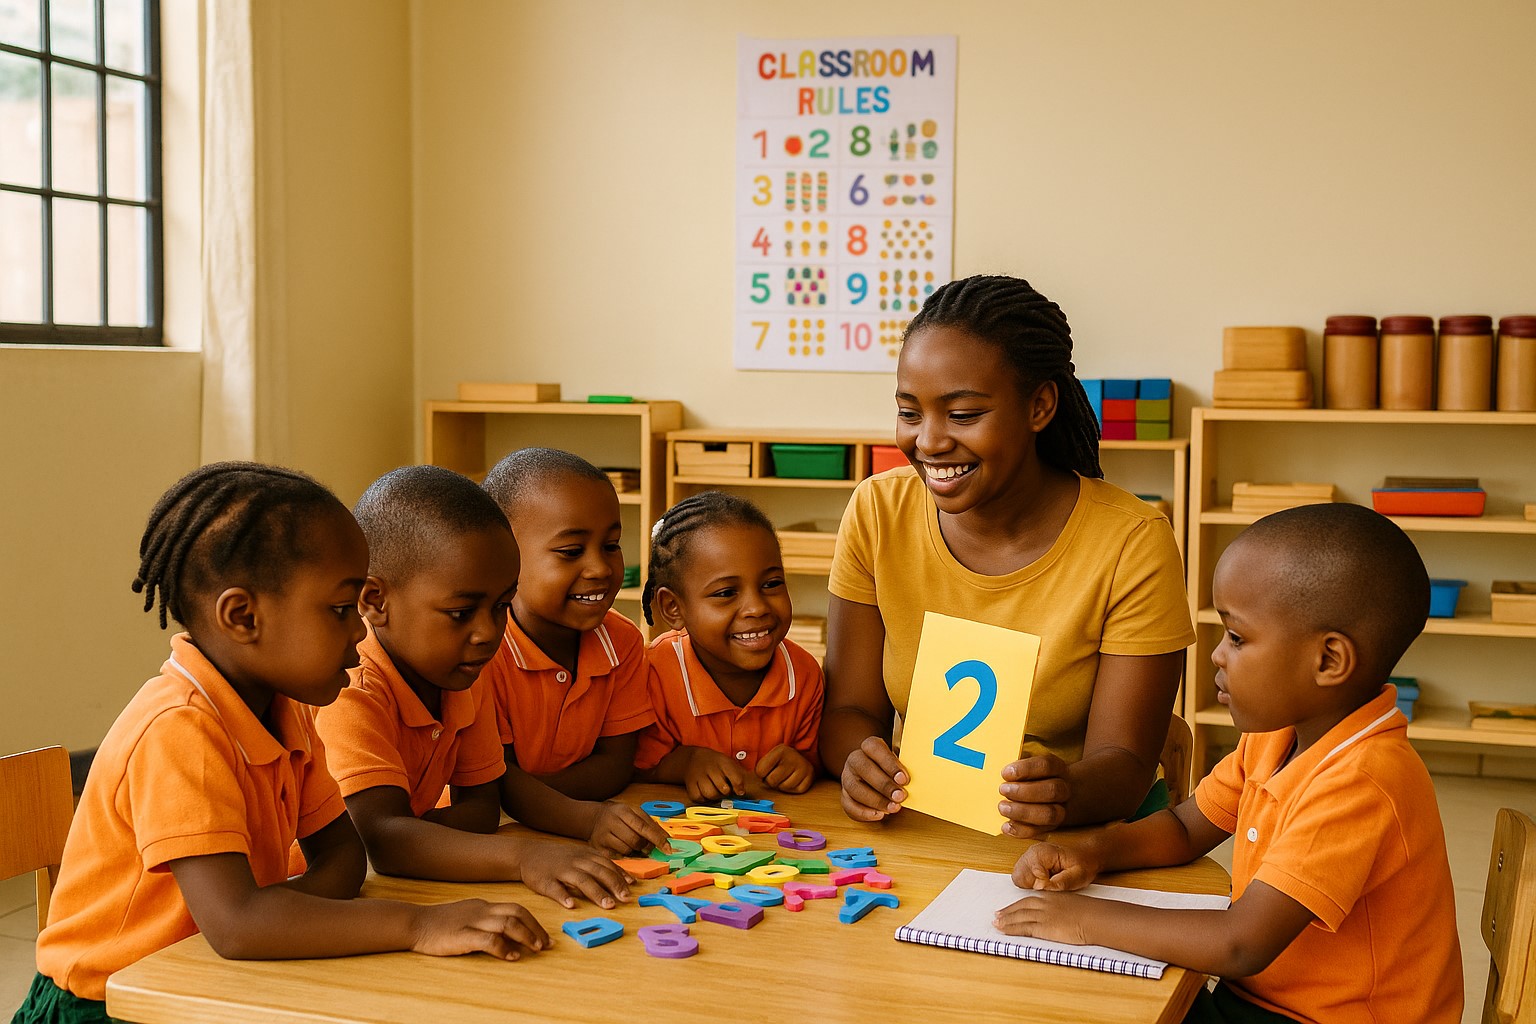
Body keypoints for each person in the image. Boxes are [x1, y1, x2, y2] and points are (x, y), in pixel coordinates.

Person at [15, 464, 548, 1024]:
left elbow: (342, 855)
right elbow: (239, 924)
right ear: (243, 616)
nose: (362, 632)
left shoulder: (286, 710)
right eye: (342, 610)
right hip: (110, 1002)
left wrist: (284, 914)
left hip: (223, 981)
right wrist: (417, 924)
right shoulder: (179, 729)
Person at [997, 503, 1462, 1024]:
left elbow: (1241, 943)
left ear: (1328, 660)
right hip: (1259, 1000)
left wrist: (1083, 920)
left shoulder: (1362, 779)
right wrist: (1092, 851)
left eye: (1237, 638)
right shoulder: (1274, 737)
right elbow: (1183, 828)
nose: (1217, 655)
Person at [823, 274, 1194, 834]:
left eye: (963, 414)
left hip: (1081, 841)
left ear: (1040, 405)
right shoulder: (878, 512)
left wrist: (1064, 791)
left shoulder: (1131, 541)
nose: (928, 441)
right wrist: (858, 761)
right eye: (909, 411)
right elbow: (849, 712)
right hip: (926, 828)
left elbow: (1126, 765)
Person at [314, 466, 661, 906]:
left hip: (386, 888)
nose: (487, 633)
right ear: (375, 601)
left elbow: (481, 806)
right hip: (305, 897)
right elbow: (384, 840)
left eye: (500, 606)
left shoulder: (459, 674)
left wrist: (415, 834)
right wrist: (523, 856)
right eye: (461, 613)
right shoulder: (352, 690)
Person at [480, 448, 656, 836]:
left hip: (542, 824)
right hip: (490, 836)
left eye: (611, 545)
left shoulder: (622, 641)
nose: (599, 568)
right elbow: (493, 780)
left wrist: (526, 796)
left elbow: (615, 765)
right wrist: (572, 812)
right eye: (571, 552)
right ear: (505, 554)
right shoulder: (482, 650)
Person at [633, 491, 824, 801]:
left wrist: (805, 767)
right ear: (673, 608)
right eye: (725, 593)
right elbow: (635, 766)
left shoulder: (802, 675)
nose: (757, 608)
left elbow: (816, 761)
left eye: (771, 584)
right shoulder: (652, 673)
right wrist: (686, 763)